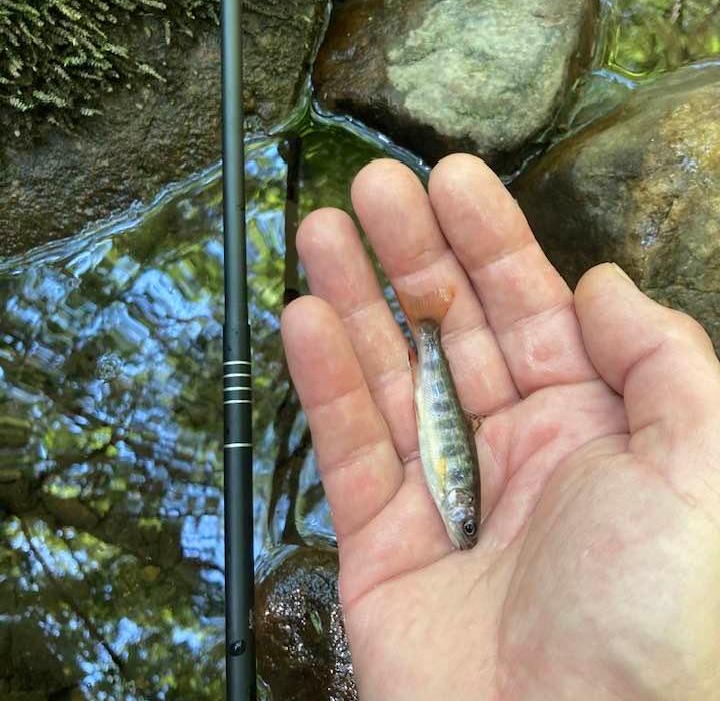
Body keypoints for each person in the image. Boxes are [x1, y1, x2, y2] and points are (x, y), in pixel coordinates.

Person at [280, 154, 720, 700]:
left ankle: (426, 331)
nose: (465, 531)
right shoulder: (457, 496)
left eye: (468, 529)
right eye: (468, 529)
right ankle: (426, 330)